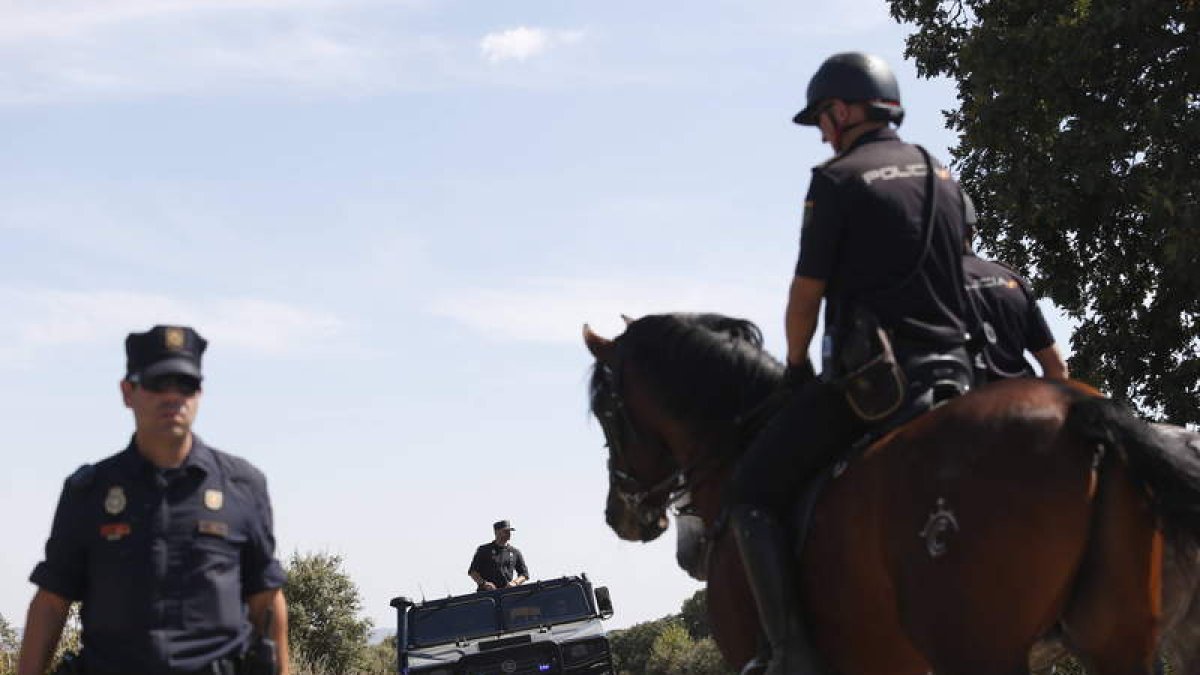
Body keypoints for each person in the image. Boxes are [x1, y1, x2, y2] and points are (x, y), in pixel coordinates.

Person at [727, 52, 978, 674]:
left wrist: (793, 367)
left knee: (748, 494)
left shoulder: (836, 180)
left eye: (822, 118)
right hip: (959, 370)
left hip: (880, 384)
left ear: (842, 111)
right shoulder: (939, 173)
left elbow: (805, 294)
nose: (820, 132)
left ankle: (790, 653)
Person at [17, 325, 290, 675]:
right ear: (127, 392)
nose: (172, 396)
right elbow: (51, 604)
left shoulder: (243, 486)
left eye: (185, 384)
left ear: (199, 393)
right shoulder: (89, 491)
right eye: (158, 383)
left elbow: (266, 600)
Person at [961, 210, 1069, 381]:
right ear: (973, 232)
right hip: (1023, 398)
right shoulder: (1012, 279)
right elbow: (1057, 368)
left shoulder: (930, 283)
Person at [467, 520, 529, 591]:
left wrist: (515, 583)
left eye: (509, 531)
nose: (509, 534)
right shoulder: (484, 550)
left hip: (507, 594)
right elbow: (473, 572)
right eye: (505, 531)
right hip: (487, 595)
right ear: (496, 532)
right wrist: (484, 584)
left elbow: (524, 574)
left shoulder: (515, 552)